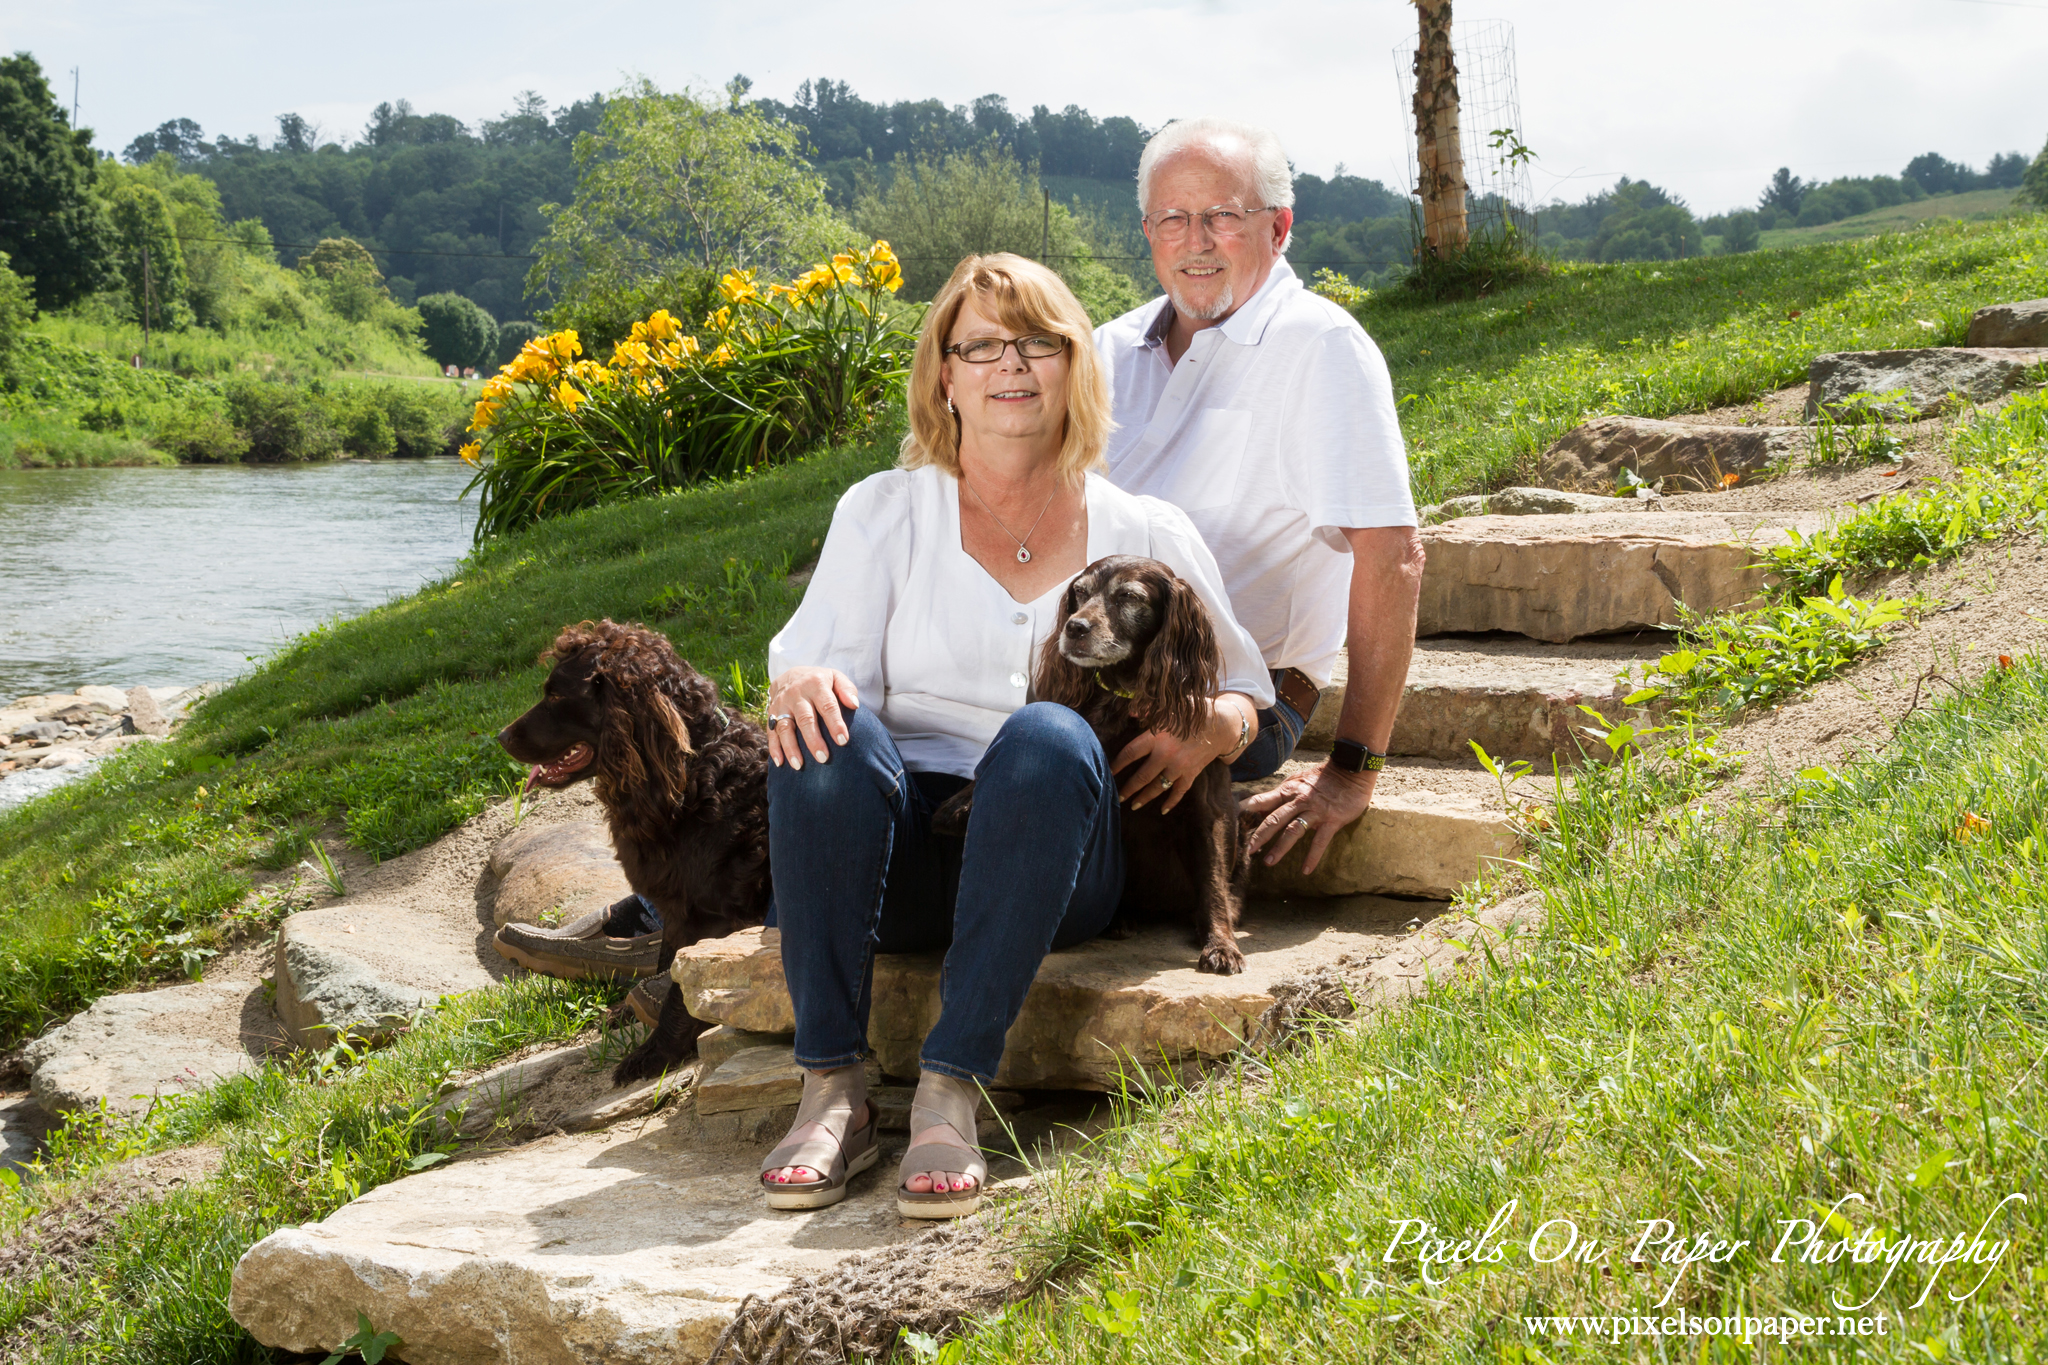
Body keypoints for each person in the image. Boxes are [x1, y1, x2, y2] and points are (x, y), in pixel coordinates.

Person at [759, 253, 1271, 1218]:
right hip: (904, 858)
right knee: (822, 737)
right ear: (943, 376)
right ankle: (834, 1086)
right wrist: (805, 680)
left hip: (1061, 853)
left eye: (1040, 341)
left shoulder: (1144, 527)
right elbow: (806, 679)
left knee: (1043, 735)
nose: (1012, 365)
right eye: (982, 345)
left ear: (1077, 365)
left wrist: (1219, 725)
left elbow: (1249, 692)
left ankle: (953, 1087)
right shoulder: (882, 511)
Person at [1094, 116, 1425, 880]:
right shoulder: (1107, 351)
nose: (1196, 240)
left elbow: (1395, 556)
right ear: (1148, 231)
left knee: (1037, 780)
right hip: (1100, 678)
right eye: (1174, 219)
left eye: (1222, 217)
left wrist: (1353, 768)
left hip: (1240, 704)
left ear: (1278, 227)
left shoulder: (1320, 347)